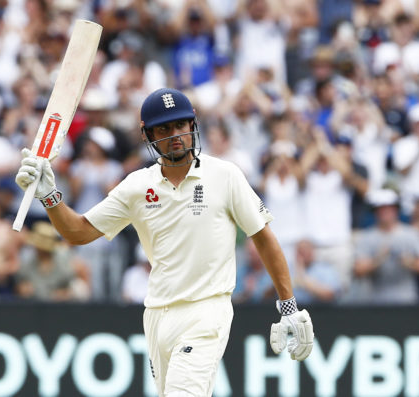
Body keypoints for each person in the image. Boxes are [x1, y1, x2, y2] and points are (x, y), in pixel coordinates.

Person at [16, 87, 314, 396]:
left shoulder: (224, 175)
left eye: (180, 125)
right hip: (157, 314)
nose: (175, 135)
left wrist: (288, 306)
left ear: (192, 125)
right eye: (164, 128)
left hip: (207, 310)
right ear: (147, 134)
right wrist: (49, 197)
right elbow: (79, 232)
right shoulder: (136, 186)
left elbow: (264, 238)